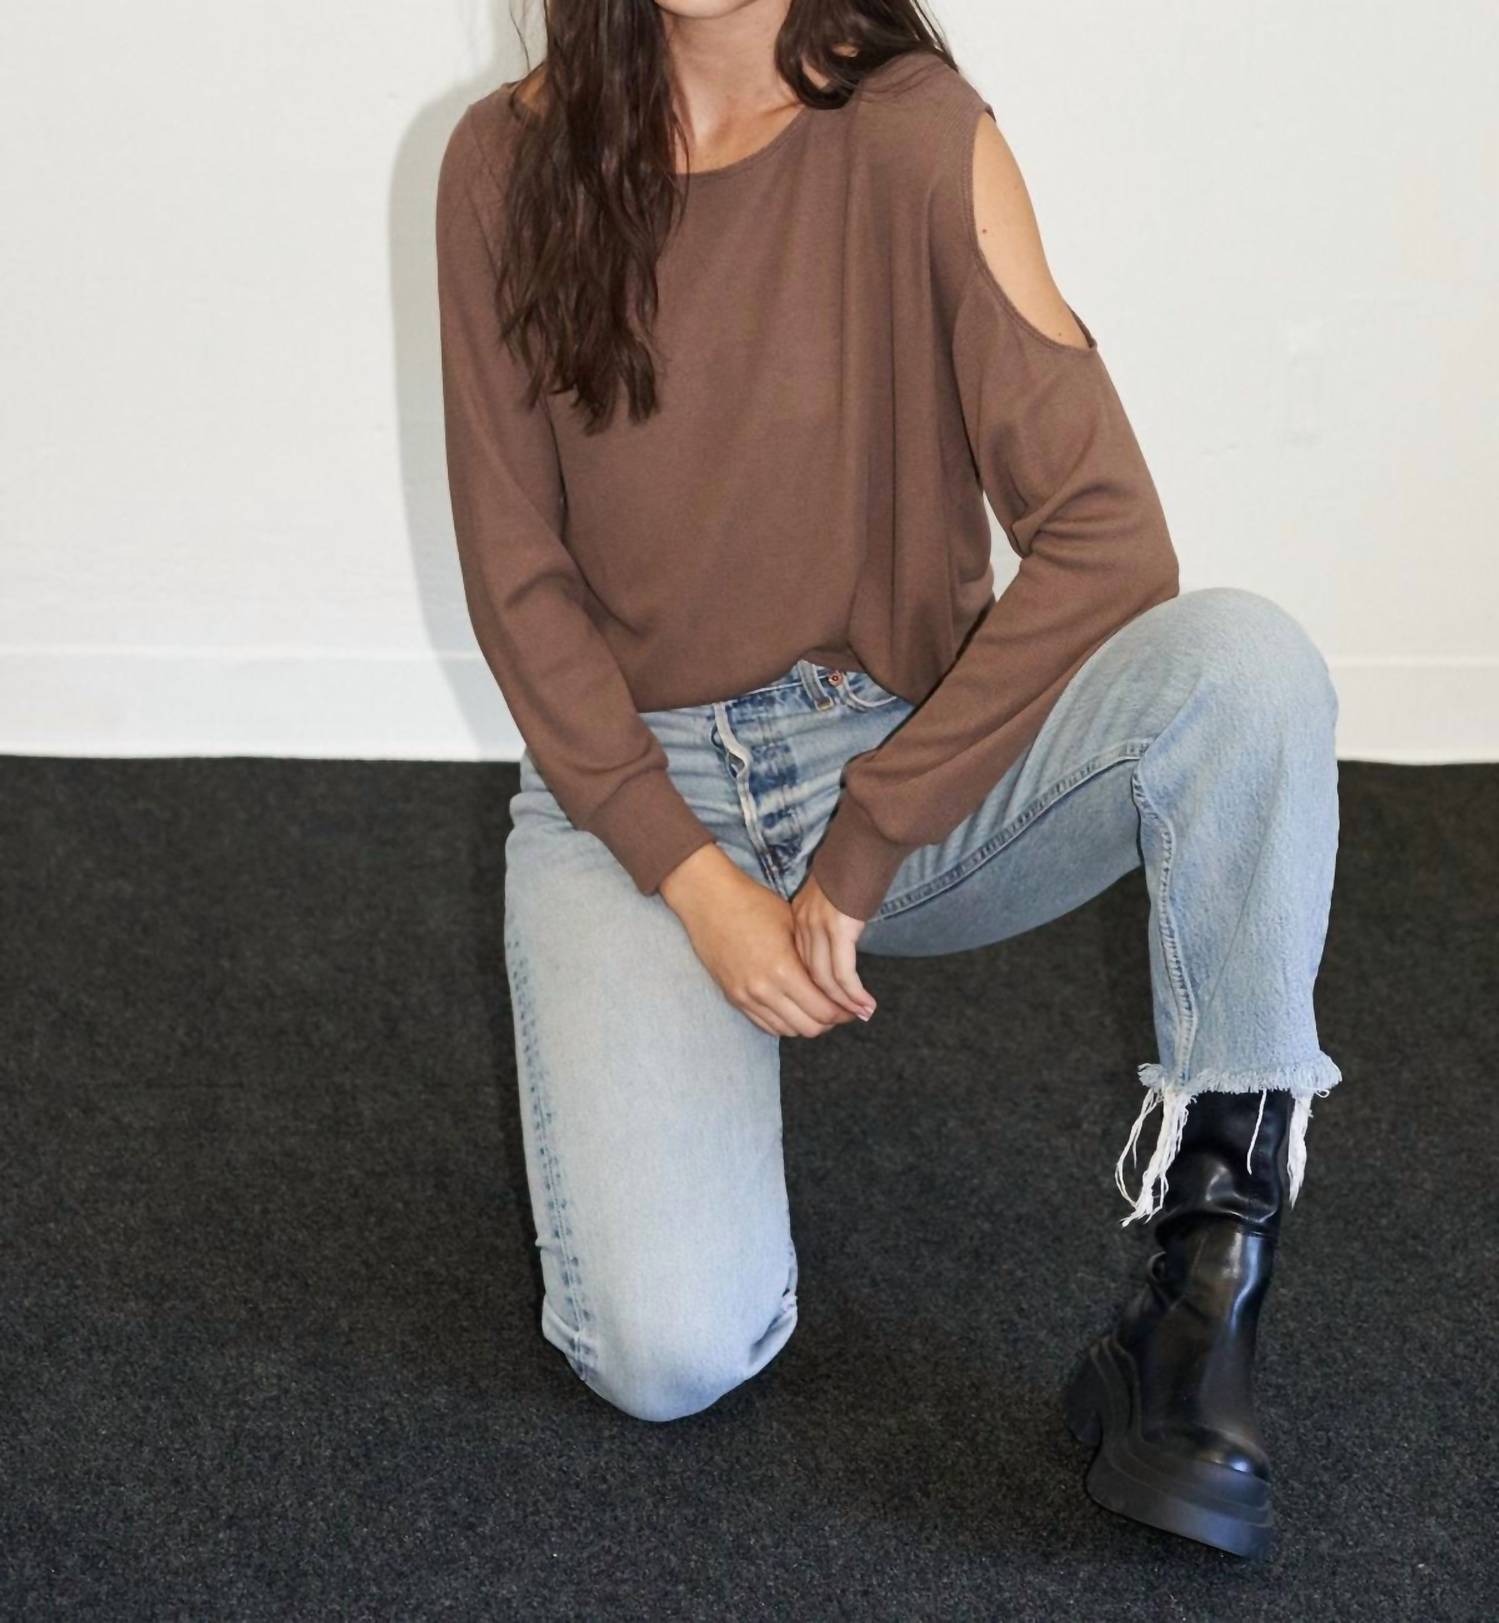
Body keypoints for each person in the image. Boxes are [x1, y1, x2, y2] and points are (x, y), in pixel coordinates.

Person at [434, 0, 1341, 1562]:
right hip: (632, 791)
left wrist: (864, 839)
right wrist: (691, 877)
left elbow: (1110, 537)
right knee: (666, 1358)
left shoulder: (921, 136)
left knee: (1245, 666)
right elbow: (519, 583)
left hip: (887, 754)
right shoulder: (501, 165)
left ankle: (1202, 1296)